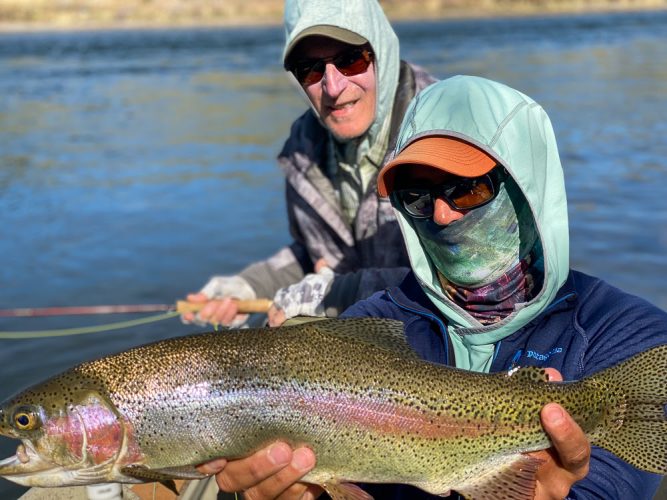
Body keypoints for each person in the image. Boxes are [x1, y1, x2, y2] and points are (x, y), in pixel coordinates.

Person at [197, 75, 667, 498]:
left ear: (528, 186)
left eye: (467, 188)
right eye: (417, 196)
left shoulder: (630, 337)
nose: (442, 214)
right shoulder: (368, 330)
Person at [182, 0, 436, 328]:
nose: (333, 87)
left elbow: (476, 284)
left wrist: (341, 292)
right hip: (363, 345)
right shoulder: (303, 148)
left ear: (379, 49)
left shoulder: (442, 130)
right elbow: (315, 254)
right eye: (311, 69)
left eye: (350, 60)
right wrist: (249, 287)